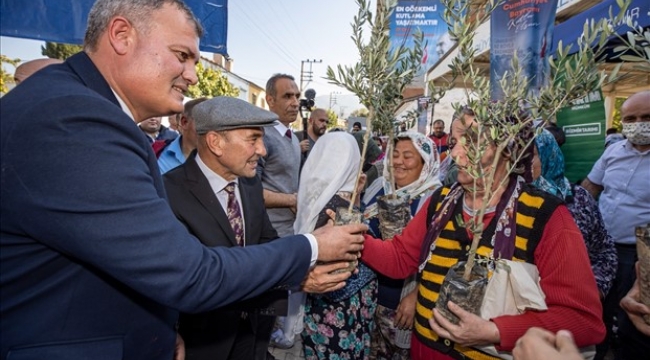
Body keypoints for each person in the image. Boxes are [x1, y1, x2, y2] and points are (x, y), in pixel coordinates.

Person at [0, 1, 366, 359]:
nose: (192, 75)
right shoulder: (73, 120)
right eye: (182, 55)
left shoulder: (86, 111)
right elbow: (189, 274)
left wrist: (160, 329)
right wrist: (312, 247)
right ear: (122, 35)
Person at [360, 111, 605, 359]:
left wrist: (495, 331)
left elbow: (582, 320)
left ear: (508, 149)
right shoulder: (441, 202)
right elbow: (400, 258)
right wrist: (354, 239)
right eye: (455, 143)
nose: (455, 154)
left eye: (472, 141)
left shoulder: (547, 215)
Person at [581, 90, 650, 360]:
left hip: (639, 255)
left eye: (646, 117)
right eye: (631, 118)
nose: (638, 123)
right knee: (598, 308)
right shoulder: (613, 152)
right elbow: (590, 187)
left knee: (634, 314)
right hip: (603, 249)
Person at [297, 132, 378, 360]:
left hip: (320, 302)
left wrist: (356, 192)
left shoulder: (316, 195)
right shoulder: (341, 206)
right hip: (343, 307)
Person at [362, 132, 441, 360]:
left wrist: (417, 293)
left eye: (408, 156)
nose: (398, 162)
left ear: (426, 163)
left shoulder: (434, 199)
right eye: (395, 155)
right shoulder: (380, 186)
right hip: (368, 299)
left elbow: (439, 256)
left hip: (401, 302)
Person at [531, 129, 616, 298]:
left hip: (573, 301)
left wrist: (593, 290)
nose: (522, 163)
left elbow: (604, 252)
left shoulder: (578, 198)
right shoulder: (507, 200)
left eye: (531, 155)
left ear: (550, 156)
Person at [259, 73, 303, 349]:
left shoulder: (292, 138)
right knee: (267, 299)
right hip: (268, 233)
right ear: (270, 100)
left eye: (297, 96)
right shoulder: (262, 135)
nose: (295, 102)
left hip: (289, 229)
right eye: (288, 96)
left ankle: (281, 335)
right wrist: (290, 200)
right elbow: (250, 191)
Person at [158, 97, 207, 173]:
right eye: (203, 122)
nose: (210, 128)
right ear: (184, 122)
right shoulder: (158, 152)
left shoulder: (222, 160)